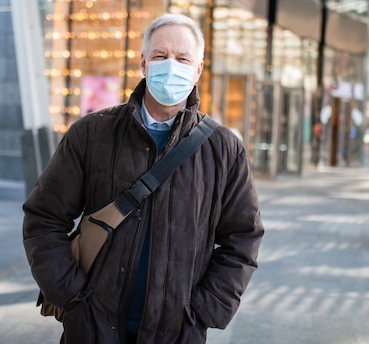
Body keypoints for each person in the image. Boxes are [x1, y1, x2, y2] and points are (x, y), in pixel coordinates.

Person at [22, 13, 264, 344]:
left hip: (177, 333)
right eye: (161, 56)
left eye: (183, 59)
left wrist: (204, 312)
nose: (171, 66)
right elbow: (44, 217)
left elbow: (242, 238)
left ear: (197, 71)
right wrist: (72, 296)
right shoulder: (91, 134)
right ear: (144, 63)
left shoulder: (224, 149)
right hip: (92, 327)